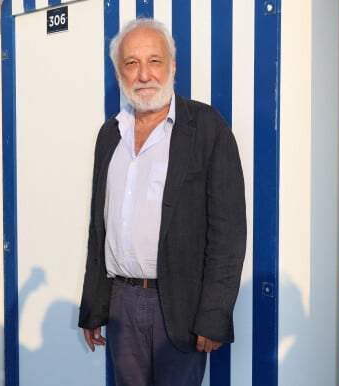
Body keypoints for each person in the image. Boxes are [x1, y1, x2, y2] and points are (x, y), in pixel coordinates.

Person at [78, 18, 246, 386]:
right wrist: (94, 305)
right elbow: (100, 226)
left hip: (179, 305)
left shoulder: (206, 127)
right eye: (131, 63)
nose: (143, 75)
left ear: (172, 66)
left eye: (154, 61)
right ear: (119, 73)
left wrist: (213, 315)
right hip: (122, 301)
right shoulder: (111, 134)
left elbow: (228, 231)